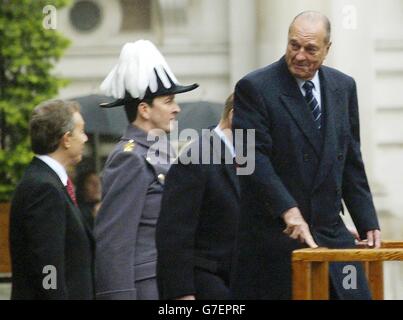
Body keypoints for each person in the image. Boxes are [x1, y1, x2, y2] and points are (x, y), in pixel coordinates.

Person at [232, 11, 381, 300]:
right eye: (293, 45)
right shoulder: (254, 87)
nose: (300, 55)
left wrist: (367, 221)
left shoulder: (343, 87)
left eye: (310, 48)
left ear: (327, 49)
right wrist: (288, 210)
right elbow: (250, 159)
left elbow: (350, 160)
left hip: (332, 234)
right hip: (277, 238)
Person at [94, 40, 198, 300]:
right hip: (145, 288)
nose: (177, 108)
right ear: (144, 109)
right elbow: (114, 242)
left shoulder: (158, 150)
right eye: (168, 101)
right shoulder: (129, 159)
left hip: (168, 280)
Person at [156, 93, 239, 300]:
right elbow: (174, 235)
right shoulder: (195, 159)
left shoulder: (251, 158)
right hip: (208, 284)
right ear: (235, 116)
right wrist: (182, 293)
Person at [9, 100, 94, 299]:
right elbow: (48, 266)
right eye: (81, 131)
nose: (85, 138)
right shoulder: (44, 188)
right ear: (66, 139)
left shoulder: (50, 182)